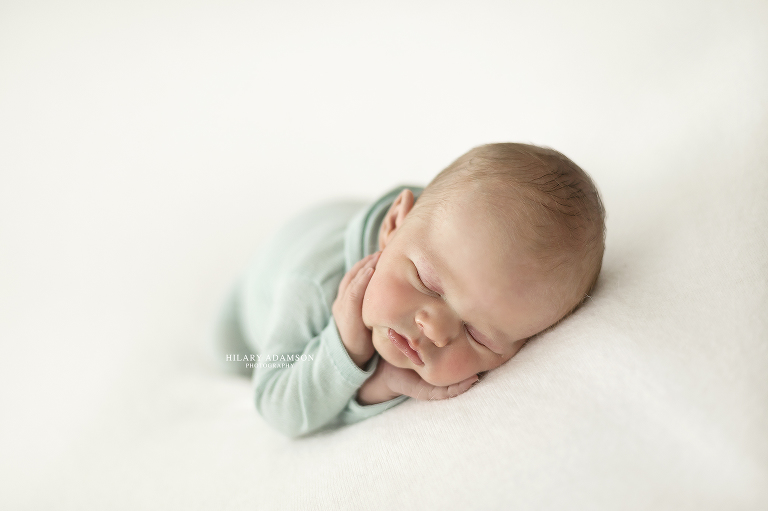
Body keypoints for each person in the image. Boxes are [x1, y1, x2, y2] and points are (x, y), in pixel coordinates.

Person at [211, 143, 606, 438]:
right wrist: (345, 349)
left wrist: (381, 383)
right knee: (227, 354)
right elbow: (277, 402)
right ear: (394, 223)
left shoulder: (452, 248)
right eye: (429, 284)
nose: (434, 330)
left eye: (477, 335)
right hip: (257, 295)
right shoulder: (314, 286)